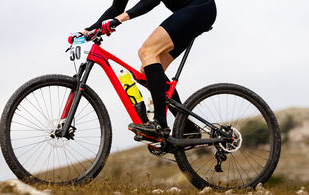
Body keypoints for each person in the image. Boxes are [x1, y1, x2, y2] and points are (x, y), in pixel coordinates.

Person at [84, 0, 217, 139]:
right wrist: (88, 30)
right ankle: (188, 128)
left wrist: (119, 19)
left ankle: (159, 124)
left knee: (147, 52)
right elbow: (116, 8)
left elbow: (151, 1)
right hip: (192, 13)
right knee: (148, 69)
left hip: (199, 7)